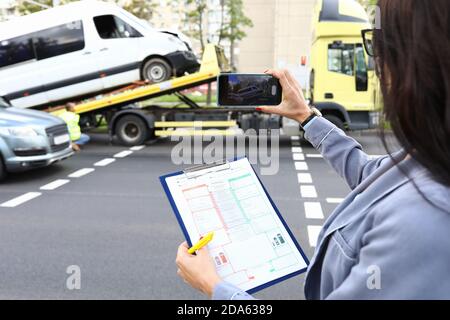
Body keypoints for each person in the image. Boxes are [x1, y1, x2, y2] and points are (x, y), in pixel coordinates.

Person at [175, 0, 450, 299]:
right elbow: (374, 174)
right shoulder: (431, 157)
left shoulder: (425, 222)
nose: (376, 67)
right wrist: (305, 116)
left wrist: (216, 288)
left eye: (380, 45)